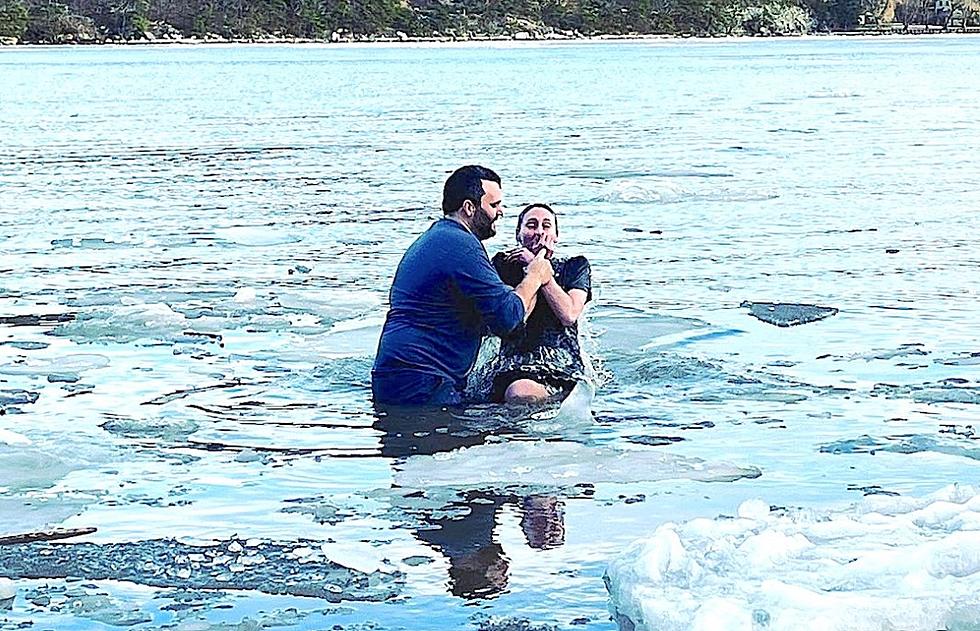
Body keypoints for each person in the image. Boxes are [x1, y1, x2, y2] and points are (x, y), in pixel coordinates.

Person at [371, 166, 554, 406]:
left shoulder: (439, 237)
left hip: (400, 375)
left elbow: (498, 324)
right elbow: (508, 317)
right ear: (469, 208)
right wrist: (536, 276)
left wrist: (520, 296)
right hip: (422, 381)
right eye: (494, 205)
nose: (500, 212)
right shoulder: (461, 245)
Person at [488, 203, 592, 404]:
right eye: (532, 225)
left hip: (560, 365)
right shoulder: (503, 265)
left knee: (521, 391)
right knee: (517, 390)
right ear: (518, 234)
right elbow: (511, 320)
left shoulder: (575, 266)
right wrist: (532, 270)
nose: (539, 232)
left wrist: (541, 267)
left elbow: (569, 314)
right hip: (513, 364)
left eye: (546, 226)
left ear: (556, 236)